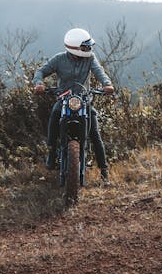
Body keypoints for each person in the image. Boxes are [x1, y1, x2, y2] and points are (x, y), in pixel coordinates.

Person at [33, 28, 114, 183]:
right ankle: (51, 153)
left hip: (84, 99)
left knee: (95, 134)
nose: (88, 49)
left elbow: (100, 72)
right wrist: (39, 84)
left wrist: (107, 84)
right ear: (74, 47)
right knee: (55, 116)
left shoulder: (90, 58)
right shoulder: (59, 59)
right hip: (64, 99)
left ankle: (104, 171)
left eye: (88, 46)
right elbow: (41, 71)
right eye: (84, 47)